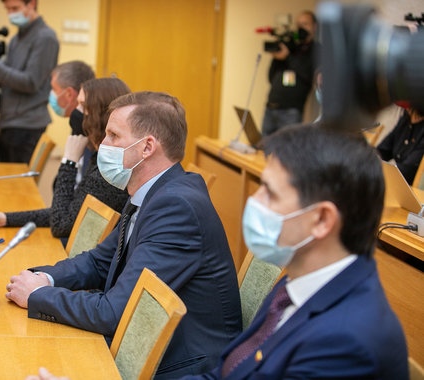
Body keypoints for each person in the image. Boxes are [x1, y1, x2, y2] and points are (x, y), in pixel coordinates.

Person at [27, 124, 409, 380]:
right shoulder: (299, 289)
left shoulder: (347, 340)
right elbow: (221, 374)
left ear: (322, 220)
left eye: (270, 193)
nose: (253, 203)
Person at [5, 91, 242, 379]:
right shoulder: (152, 190)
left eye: (113, 135)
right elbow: (99, 262)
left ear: (147, 148)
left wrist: (39, 295)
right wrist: (43, 278)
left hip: (178, 365)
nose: (102, 144)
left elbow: (115, 312)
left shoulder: (176, 206)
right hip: (143, 342)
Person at [0, 77, 130, 239]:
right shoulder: (100, 159)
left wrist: (69, 162)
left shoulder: (108, 171)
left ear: (98, 113)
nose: (76, 111)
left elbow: (61, 224)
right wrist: (5, 218)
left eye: (82, 106)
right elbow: (68, 211)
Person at [0, 0, 58, 163]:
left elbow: (30, 82)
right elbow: (8, 78)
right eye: (7, 9)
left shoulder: (46, 37)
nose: (11, 14)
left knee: (17, 184)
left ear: (31, 4)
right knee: (3, 178)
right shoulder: (16, 39)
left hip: (28, 125)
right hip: (9, 121)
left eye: (15, 8)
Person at [261, 10, 318, 137]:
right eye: (298, 25)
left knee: (286, 152)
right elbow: (271, 77)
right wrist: (277, 57)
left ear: (314, 27)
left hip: (291, 112)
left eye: (305, 24)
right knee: (262, 149)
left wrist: (287, 57)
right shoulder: (291, 47)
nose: (300, 28)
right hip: (271, 106)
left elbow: (307, 74)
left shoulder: (316, 50)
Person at [49, 61, 95, 182]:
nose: (51, 95)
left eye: (54, 89)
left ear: (69, 93)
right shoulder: (77, 122)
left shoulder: (90, 130)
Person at [377, 106, 424, 185]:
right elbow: (383, 150)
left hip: (409, 188)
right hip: (394, 181)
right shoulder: (406, 118)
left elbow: (407, 170)